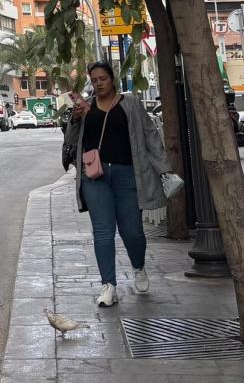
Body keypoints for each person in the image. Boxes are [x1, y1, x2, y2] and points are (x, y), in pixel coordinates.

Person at [70, 61, 170, 308]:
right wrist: (74, 119)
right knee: (103, 231)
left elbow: (150, 135)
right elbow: (71, 141)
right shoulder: (86, 107)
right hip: (95, 177)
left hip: (128, 175)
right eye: (94, 80)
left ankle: (138, 266)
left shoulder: (131, 104)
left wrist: (164, 168)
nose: (98, 84)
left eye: (102, 78)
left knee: (132, 231)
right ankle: (108, 285)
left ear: (112, 79)